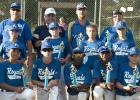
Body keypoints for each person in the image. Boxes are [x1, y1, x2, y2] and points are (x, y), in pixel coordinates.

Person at [42, 22, 71, 100]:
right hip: (49, 67)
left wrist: (65, 59)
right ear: (49, 31)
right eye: (52, 28)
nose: (54, 30)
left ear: (59, 29)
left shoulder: (64, 40)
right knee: (49, 87)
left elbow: (68, 53)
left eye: (56, 28)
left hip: (61, 66)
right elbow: (43, 55)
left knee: (61, 87)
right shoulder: (47, 41)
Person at [0, 2, 33, 67]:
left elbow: (29, 42)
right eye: (13, 9)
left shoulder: (24, 25)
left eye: (18, 10)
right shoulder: (3, 24)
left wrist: (29, 57)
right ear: (10, 11)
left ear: (20, 12)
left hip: (19, 60)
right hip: (5, 59)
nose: (15, 11)